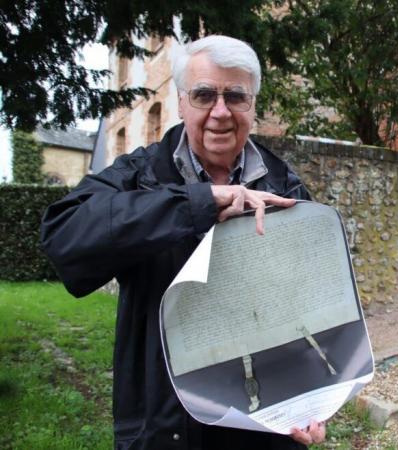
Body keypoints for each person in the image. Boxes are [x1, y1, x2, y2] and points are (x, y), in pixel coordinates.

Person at [40, 35, 326, 449]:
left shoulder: (285, 185)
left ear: (253, 105)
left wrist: (312, 402)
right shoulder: (141, 175)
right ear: (180, 103)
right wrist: (198, 203)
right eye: (205, 94)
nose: (221, 112)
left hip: (263, 427)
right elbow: (63, 235)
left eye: (236, 96)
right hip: (168, 428)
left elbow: (308, 309)